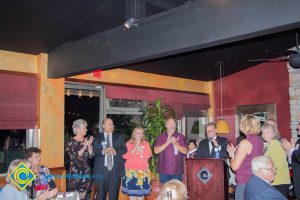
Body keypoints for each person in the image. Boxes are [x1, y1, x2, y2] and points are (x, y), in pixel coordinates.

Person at [227, 114, 263, 200]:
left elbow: (235, 167)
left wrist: (231, 155)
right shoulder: (259, 140)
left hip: (245, 183)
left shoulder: (245, 143)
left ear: (244, 125)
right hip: (256, 182)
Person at [93, 118, 127, 200]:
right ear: (103, 126)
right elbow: (94, 151)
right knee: (100, 196)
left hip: (115, 171)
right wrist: (103, 151)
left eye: (112, 124)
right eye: (109, 124)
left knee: (114, 196)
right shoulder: (97, 137)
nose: (112, 126)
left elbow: (124, 149)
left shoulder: (119, 136)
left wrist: (115, 151)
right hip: (101, 171)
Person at [154, 117, 188, 184]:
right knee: (165, 192)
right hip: (164, 170)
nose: (172, 126)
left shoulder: (181, 137)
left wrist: (175, 143)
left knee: (176, 192)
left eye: (173, 124)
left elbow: (185, 151)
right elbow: (156, 151)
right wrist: (167, 143)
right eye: (169, 124)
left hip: (177, 170)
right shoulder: (160, 137)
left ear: (175, 125)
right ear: (166, 125)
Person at [67, 119, 94, 200]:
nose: (86, 129)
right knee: (75, 197)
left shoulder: (86, 140)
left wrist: (89, 145)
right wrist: (84, 147)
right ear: (78, 129)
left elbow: (91, 156)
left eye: (86, 128)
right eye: (84, 128)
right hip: (76, 173)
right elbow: (74, 158)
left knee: (83, 197)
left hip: (86, 172)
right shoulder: (71, 142)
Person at [261, 124, 290, 197]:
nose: (265, 134)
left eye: (267, 132)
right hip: (275, 180)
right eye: (263, 132)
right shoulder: (270, 145)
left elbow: (279, 164)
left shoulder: (276, 144)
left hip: (279, 180)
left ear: (273, 133)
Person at [122, 127, 152, 199]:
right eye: (137, 133)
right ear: (134, 134)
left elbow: (149, 155)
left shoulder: (146, 144)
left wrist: (140, 148)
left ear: (142, 135)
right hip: (131, 173)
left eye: (141, 133)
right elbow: (124, 156)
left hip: (142, 173)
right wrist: (135, 147)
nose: (139, 135)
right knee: (132, 195)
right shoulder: (128, 143)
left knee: (140, 196)